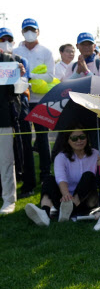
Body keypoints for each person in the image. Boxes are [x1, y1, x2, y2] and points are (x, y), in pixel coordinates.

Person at [25, 127, 100, 226]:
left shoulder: (96, 154)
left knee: (88, 175)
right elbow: (60, 178)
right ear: (68, 140)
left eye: (82, 137)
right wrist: (66, 195)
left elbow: (99, 180)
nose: (79, 141)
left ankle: (70, 209)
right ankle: (44, 213)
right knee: (48, 179)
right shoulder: (61, 157)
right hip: (64, 201)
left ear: (87, 138)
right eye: (74, 138)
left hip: (87, 201)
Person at [13, 18, 55, 182]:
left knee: (42, 138)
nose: (29, 33)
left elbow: (51, 76)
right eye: (26, 30)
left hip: (41, 100)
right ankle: (25, 175)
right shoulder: (15, 51)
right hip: (20, 99)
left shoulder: (46, 52)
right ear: (22, 32)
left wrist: (31, 75)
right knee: (23, 138)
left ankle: (46, 174)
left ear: (38, 32)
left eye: (33, 30)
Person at [0, 28, 36, 198]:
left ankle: (27, 184)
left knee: (24, 146)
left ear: (13, 42)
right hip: (5, 112)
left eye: (9, 39)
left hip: (20, 108)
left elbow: (22, 87)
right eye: (2, 39)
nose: (5, 43)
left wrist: (20, 75)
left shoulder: (19, 60)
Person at [0, 50, 26, 214]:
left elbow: (18, 91)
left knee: (6, 162)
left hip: (4, 118)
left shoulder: (9, 60)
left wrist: (20, 75)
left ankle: (9, 200)